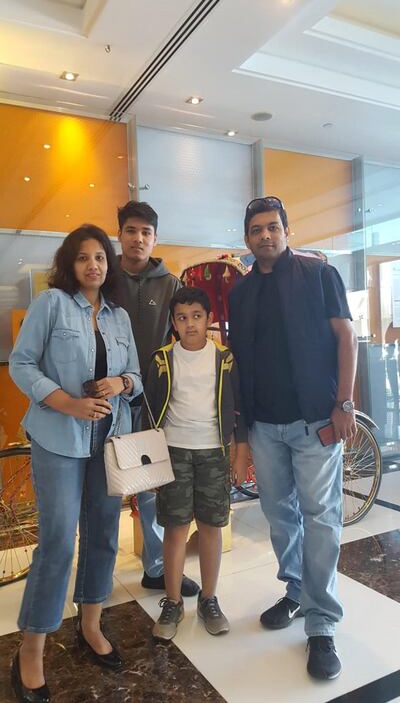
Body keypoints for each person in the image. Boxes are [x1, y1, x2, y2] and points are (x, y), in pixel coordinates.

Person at [9, 225, 142, 703]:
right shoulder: (51, 305)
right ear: (71, 264)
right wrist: (66, 402)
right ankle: (31, 647)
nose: (94, 265)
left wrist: (122, 384)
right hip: (58, 438)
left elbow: (137, 375)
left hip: (108, 440)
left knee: (105, 533)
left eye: (101, 257)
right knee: (59, 541)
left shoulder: (119, 316)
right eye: (84, 257)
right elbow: (22, 364)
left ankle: (90, 623)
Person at [228, 196, 358, 681]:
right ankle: (297, 589)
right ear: (247, 238)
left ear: (287, 230)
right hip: (265, 425)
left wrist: (343, 404)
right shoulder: (240, 294)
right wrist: (241, 435)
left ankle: (322, 623)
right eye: (256, 229)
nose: (265, 235)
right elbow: (238, 363)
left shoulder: (319, 275)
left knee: (320, 515)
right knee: (279, 513)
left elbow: (346, 337)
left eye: (272, 227)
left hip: (315, 421)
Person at [144, 286, 248, 641]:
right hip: (173, 452)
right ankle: (173, 601)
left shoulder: (224, 359)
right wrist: (151, 464)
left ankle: (209, 598)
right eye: (182, 318)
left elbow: (238, 409)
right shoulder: (162, 359)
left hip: (213, 452)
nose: (190, 324)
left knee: (211, 526)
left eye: (197, 317)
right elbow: (150, 413)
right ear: (173, 322)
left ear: (209, 319)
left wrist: (240, 452)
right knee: (175, 528)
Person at [117, 200, 198, 597]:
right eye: (131, 231)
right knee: (100, 488)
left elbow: (183, 336)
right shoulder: (103, 276)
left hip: (151, 401)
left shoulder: (170, 284)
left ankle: (157, 566)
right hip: (106, 401)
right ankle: (93, 578)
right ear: (120, 235)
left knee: (151, 487)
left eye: (145, 232)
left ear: (154, 238)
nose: (138, 239)